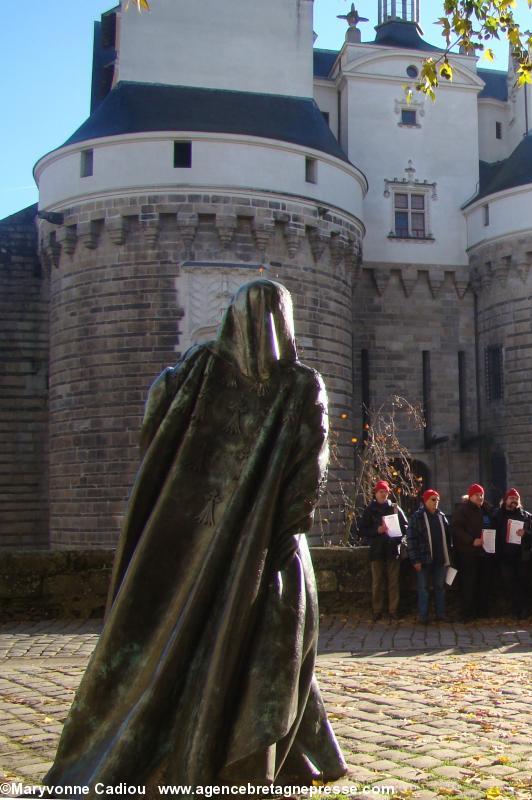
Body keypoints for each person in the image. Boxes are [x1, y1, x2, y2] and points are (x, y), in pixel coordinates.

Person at [44, 280, 346, 791]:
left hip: (195, 541)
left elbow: (155, 427)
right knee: (276, 646)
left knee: (201, 642)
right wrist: (281, 534)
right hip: (268, 548)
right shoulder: (299, 384)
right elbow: (307, 476)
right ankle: (250, 761)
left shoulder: (198, 370)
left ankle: (282, 754)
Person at [356, 479, 410, 621]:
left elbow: (406, 526)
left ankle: (393, 610)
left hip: (392, 548)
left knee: (394, 582)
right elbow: (362, 530)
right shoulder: (370, 509)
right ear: (376, 493)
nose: (383, 494)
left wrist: (397, 533)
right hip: (377, 550)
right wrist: (377, 530)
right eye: (381, 492)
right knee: (377, 582)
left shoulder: (395, 508)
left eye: (385, 492)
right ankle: (377, 610)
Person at [407, 488, 453, 624]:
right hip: (423, 559)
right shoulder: (417, 517)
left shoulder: (441, 516)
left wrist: (448, 558)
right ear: (426, 500)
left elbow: (448, 538)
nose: (436, 502)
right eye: (433, 500)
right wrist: (415, 559)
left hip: (440, 559)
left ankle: (441, 613)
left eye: (437, 500)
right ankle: (423, 615)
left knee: (440, 587)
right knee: (423, 588)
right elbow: (411, 539)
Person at [450, 483, 494, 621]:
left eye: (481, 495)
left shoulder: (486, 509)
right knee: (469, 583)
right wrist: (471, 540)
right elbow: (457, 529)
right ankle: (467, 613)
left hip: (485, 552)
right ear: (470, 496)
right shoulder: (462, 510)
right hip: (468, 552)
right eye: (477, 495)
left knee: (484, 583)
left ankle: (482, 611)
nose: (480, 497)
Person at [494, 488, 532, 619]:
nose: (514, 501)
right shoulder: (498, 515)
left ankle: (524, 609)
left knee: (523, 583)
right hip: (505, 556)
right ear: (505, 500)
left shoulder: (526, 516)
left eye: (516, 499)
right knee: (509, 584)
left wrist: (525, 534)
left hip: (521, 556)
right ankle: (515, 610)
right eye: (511, 498)